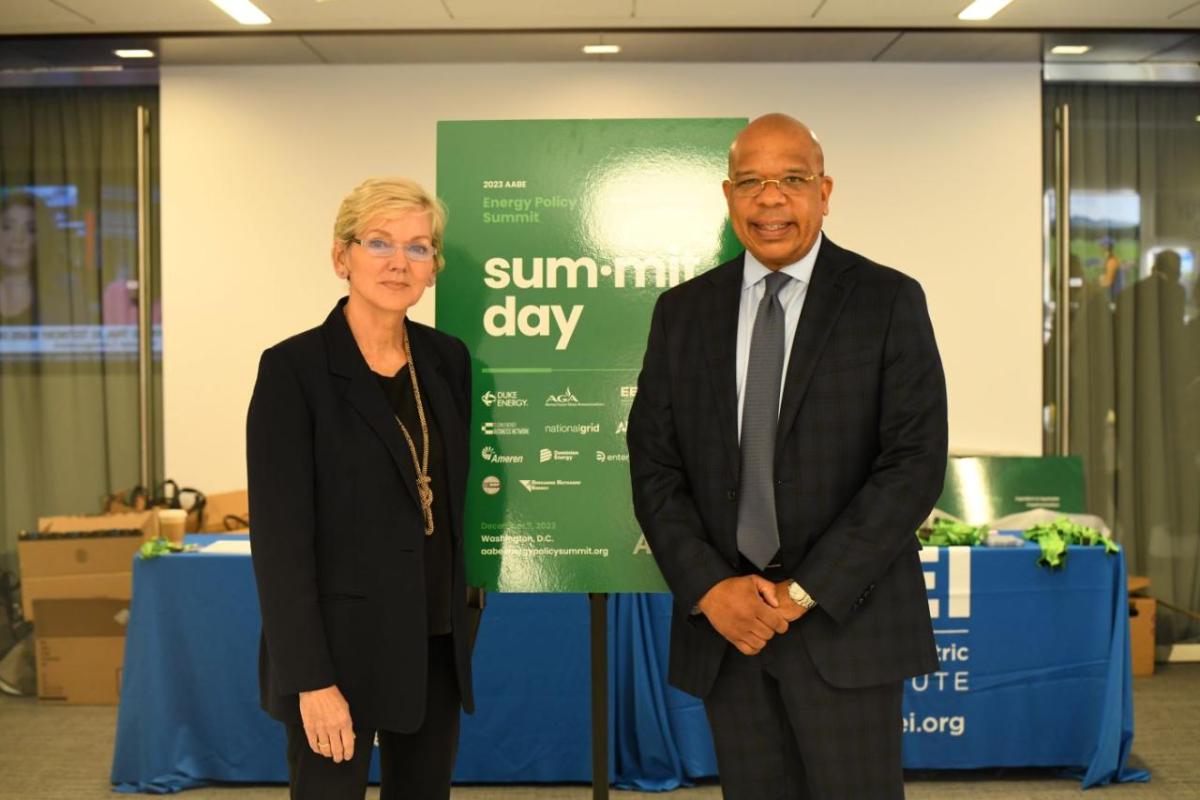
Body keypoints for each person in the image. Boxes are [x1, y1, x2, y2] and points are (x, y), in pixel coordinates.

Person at [627, 114, 948, 799]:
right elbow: (654, 466)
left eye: (792, 180)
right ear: (728, 195)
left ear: (825, 191)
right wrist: (712, 589)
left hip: (846, 625)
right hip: (730, 634)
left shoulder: (887, 300)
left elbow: (913, 463)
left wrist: (802, 593)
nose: (771, 199)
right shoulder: (682, 313)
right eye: (752, 182)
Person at [247, 177, 480, 799]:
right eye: (379, 243)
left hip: (432, 646)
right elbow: (279, 544)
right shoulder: (292, 370)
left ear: (434, 267)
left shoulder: (448, 361)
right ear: (340, 256)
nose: (399, 262)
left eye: (419, 247)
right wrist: (312, 680)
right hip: (335, 656)